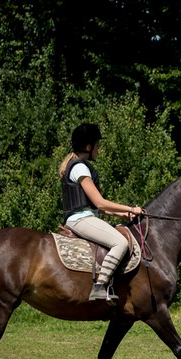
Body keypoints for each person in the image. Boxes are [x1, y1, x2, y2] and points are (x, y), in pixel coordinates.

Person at [58, 123, 143, 302]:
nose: (98, 149)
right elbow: (99, 202)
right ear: (88, 147)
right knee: (120, 242)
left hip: (86, 217)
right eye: (97, 145)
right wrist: (131, 209)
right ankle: (100, 287)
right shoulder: (80, 168)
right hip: (80, 220)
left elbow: (98, 207)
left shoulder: (79, 166)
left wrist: (122, 215)